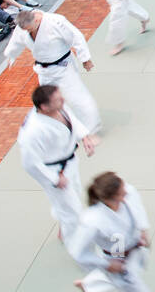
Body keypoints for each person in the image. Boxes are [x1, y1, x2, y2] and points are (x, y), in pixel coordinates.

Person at [19, 84, 103, 256]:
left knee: (75, 194)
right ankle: (80, 251)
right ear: (44, 107)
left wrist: (84, 137)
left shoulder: (59, 107)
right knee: (74, 213)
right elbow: (30, 163)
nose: (63, 100)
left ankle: (64, 228)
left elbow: (72, 120)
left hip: (69, 162)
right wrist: (55, 179)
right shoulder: (33, 131)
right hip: (54, 172)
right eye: (58, 100)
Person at [3, 10, 100, 133]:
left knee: (77, 97)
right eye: (26, 30)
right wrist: (11, 55)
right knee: (48, 101)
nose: (28, 32)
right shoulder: (23, 25)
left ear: (36, 20)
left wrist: (85, 59)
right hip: (44, 70)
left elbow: (76, 37)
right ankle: (60, 126)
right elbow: (16, 41)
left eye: (30, 29)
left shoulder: (56, 21)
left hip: (64, 67)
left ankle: (92, 126)